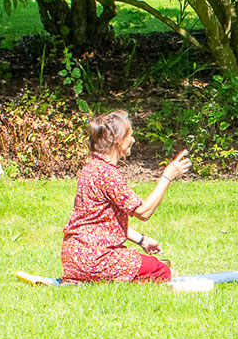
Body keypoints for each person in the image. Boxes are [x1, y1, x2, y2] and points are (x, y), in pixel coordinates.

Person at [62, 110, 191, 283]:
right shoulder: (107, 174)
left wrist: (142, 240)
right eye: (130, 135)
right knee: (160, 270)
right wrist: (168, 175)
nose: (133, 140)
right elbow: (144, 212)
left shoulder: (90, 168)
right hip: (95, 259)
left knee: (151, 266)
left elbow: (101, 220)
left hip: (73, 258)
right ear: (118, 140)